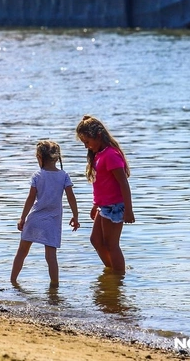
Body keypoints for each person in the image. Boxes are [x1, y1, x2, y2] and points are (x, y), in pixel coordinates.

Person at [10, 140, 79, 287]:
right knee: (51, 256)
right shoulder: (63, 176)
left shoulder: (37, 175)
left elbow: (30, 199)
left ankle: (13, 281)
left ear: (40, 157)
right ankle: (54, 287)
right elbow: (71, 197)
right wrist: (75, 216)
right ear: (56, 158)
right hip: (52, 221)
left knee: (22, 251)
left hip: (35, 218)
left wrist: (22, 218)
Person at [76, 115, 134, 274]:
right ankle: (112, 270)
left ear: (98, 136)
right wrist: (96, 204)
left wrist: (128, 210)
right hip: (104, 206)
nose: (86, 146)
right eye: (84, 143)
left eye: (87, 142)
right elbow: (103, 185)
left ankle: (118, 279)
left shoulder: (111, 155)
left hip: (115, 206)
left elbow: (123, 183)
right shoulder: (99, 154)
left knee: (111, 244)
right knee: (95, 240)